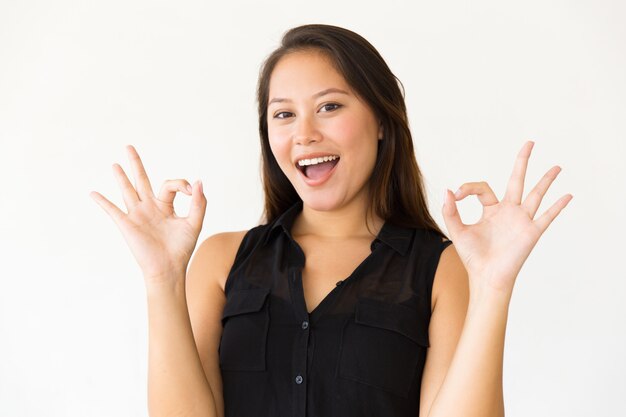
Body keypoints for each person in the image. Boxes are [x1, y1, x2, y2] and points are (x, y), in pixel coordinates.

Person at [90, 24, 572, 417]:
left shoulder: (439, 268)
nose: (304, 133)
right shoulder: (221, 260)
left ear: (382, 121)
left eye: (330, 107)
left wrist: (493, 288)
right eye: (283, 115)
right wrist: (162, 278)